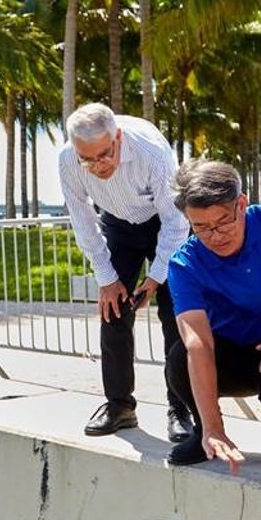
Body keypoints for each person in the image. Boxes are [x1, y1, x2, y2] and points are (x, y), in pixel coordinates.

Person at [163, 159, 261, 472]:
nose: (215, 235)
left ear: (241, 204)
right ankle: (204, 433)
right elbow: (199, 344)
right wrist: (214, 426)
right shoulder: (185, 264)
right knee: (180, 357)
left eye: (223, 222)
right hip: (231, 353)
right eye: (201, 227)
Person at [58, 102, 192, 440]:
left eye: (104, 155)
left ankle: (180, 408)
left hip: (164, 223)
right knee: (112, 310)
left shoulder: (151, 153)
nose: (97, 166)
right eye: (87, 159)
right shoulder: (68, 160)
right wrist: (106, 278)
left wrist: (156, 276)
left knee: (175, 316)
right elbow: (83, 221)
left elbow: (177, 224)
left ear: (117, 137)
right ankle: (120, 405)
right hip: (118, 224)